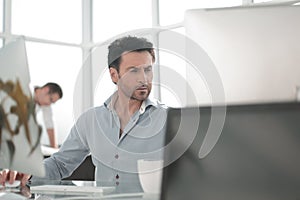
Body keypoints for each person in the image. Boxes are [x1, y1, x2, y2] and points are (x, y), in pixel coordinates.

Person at [0, 36, 167, 192]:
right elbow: (60, 164)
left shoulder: (168, 120)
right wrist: (28, 173)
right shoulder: (91, 120)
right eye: (134, 71)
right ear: (114, 75)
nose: (144, 79)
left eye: (148, 70)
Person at [34, 82, 63, 149]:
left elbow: (50, 125)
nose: (49, 104)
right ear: (46, 90)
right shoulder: (26, 90)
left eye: (52, 103)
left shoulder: (45, 104)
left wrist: (54, 151)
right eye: (50, 99)